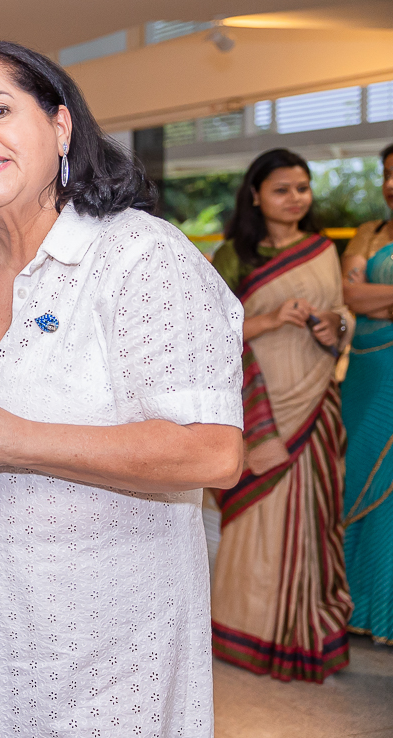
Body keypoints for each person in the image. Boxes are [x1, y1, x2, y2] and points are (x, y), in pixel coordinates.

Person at [0, 40, 244, 737]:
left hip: (105, 656)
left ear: (61, 125)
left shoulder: (139, 257)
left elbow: (212, 453)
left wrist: (19, 440)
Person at [209, 148, 353, 682]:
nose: (295, 199)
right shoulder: (232, 257)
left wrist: (331, 329)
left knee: (311, 523)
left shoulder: (322, 250)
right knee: (255, 520)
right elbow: (209, 332)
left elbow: (343, 319)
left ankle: (304, 634)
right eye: (282, 189)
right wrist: (269, 319)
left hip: (313, 403)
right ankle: (245, 630)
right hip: (258, 404)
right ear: (255, 195)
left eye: (302, 188)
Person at [340, 142, 393, 646]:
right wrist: (367, 299)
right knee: (355, 474)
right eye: (388, 174)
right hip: (365, 372)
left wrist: (377, 299)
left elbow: (364, 292)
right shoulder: (369, 233)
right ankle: (354, 604)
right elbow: (351, 295)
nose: (392, 184)